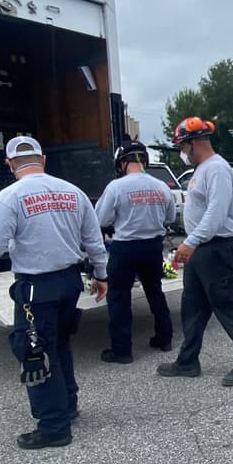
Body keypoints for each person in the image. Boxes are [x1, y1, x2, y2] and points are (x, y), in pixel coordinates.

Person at [0, 136, 108, 449]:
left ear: (10, 165)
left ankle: (53, 427)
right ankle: (68, 404)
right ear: (43, 160)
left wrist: (10, 241)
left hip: (36, 289)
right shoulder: (73, 192)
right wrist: (102, 275)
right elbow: (94, 242)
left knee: (35, 352)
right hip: (70, 282)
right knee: (59, 344)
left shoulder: (10, 198)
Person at [158, 117, 233, 387]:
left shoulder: (217, 169)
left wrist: (191, 242)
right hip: (201, 249)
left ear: (192, 144)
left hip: (216, 248)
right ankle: (188, 362)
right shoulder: (202, 169)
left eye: (182, 146)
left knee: (226, 305)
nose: (182, 152)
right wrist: (191, 243)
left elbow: (216, 212)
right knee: (193, 307)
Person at [94, 140, 176, 364]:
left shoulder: (116, 187)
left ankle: (122, 351)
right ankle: (164, 338)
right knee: (155, 292)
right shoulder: (161, 186)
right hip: (153, 246)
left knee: (119, 298)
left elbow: (100, 219)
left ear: (121, 163)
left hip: (125, 247)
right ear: (145, 160)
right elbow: (170, 218)